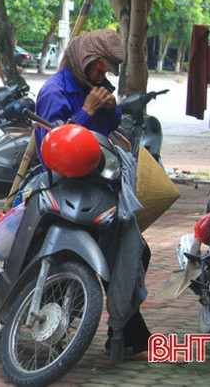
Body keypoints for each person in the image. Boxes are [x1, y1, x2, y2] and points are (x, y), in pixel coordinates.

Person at [34, 28, 152, 359]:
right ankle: (120, 330)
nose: (105, 75)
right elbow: (50, 152)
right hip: (68, 189)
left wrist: (109, 108)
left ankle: (125, 329)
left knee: (136, 252)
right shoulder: (55, 92)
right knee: (91, 253)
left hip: (100, 185)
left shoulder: (94, 87)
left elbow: (109, 128)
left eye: (108, 69)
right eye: (101, 67)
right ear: (86, 61)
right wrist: (84, 112)